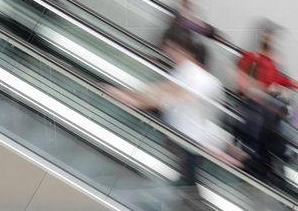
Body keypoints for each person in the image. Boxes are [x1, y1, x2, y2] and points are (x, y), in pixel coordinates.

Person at [105, 27, 245, 209]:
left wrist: (133, 99)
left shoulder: (197, 75)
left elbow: (168, 94)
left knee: (188, 195)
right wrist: (129, 96)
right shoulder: (184, 72)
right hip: (183, 144)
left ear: (180, 48)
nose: (167, 52)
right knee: (185, 192)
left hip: (191, 146)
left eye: (169, 47)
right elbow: (160, 91)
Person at [234, 20, 298, 182]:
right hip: (256, 113)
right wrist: (268, 89)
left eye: (275, 38)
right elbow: (242, 84)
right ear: (263, 36)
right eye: (271, 37)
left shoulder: (272, 61)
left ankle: (274, 172)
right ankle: (258, 170)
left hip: (269, 116)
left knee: (274, 145)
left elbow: (281, 80)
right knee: (265, 146)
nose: (275, 41)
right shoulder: (251, 57)